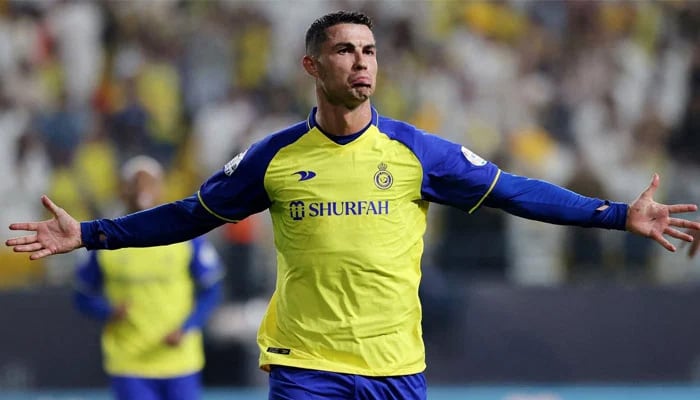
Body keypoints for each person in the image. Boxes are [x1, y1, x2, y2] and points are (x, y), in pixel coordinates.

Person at [6, 11, 700, 400]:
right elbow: (189, 215)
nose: (362, 63)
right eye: (345, 50)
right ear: (313, 66)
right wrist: (91, 234)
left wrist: (617, 215)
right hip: (308, 368)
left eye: (369, 51)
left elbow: (516, 191)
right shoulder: (275, 159)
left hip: (398, 369)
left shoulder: (415, 153)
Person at [72, 155, 224, 400]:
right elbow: (82, 294)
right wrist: (107, 311)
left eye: (149, 182)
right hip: (129, 360)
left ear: (161, 187)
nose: (142, 189)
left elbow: (212, 288)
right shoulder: (102, 238)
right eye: (135, 182)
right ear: (123, 189)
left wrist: (187, 327)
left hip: (179, 359)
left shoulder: (186, 233)